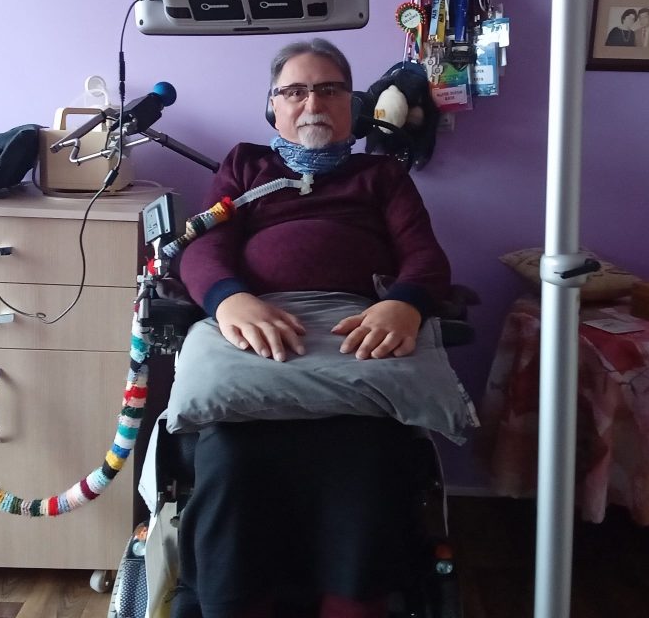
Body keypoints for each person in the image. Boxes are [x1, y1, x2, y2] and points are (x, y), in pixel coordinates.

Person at [170, 38, 453, 618]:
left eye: (328, 90)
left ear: (353, 104)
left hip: (355, 325)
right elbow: (203, 249)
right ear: (272, 106)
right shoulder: (245, 167)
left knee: (372, 458)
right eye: (295, 91)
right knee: (229, 459)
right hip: (253, 322)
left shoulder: (381, 175)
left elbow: (425, 257)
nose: (313, 102)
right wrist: (229, 301)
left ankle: (350, 604)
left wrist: (404, 305)